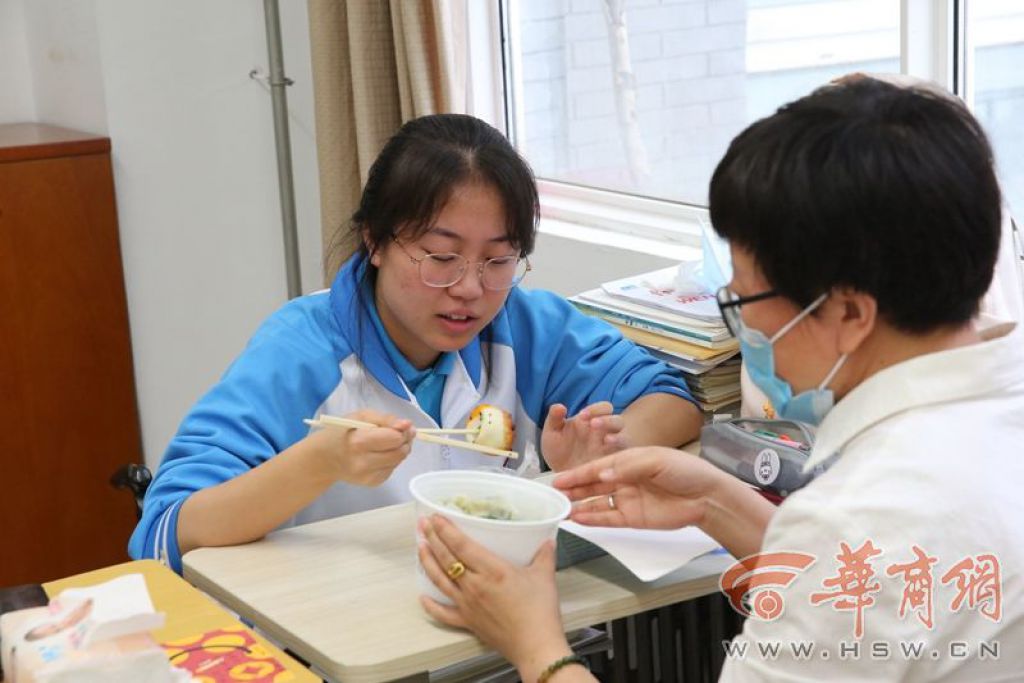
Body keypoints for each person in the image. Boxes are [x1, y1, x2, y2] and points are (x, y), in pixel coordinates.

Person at [418, 79, 1024, 681]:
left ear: (847, 314)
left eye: (745, 300)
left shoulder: (860, 512)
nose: (745, 325)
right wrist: (713, 502)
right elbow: (862, 596)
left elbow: (853, 565)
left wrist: (537, 647)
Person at [129, 113, 703, 573]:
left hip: (498, 623)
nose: (471, 289)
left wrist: (593, 461)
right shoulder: (301, 352)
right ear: (375, 242)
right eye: (442, 257)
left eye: (498, 260)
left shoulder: (524, 326)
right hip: (342, 646)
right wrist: (320, 462)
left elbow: (674, 400)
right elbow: (166, 532)